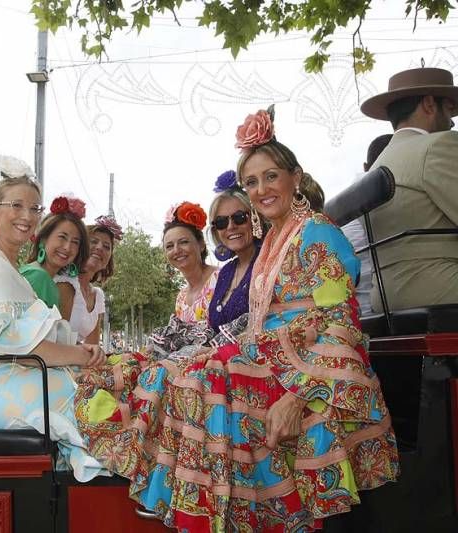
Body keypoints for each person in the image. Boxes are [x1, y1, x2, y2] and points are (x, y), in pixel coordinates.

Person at [77, 108, 399, 531]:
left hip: (311, 369)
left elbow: (340, 322)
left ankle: (199, 504)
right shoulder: (274, 240)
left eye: (271, 176)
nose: (262, 189)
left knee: (200, 380)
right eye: (252, 182)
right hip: (270, 357)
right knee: (161, 373)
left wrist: (298, 396)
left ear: (295, 178)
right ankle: (186, 495)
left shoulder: (317, 232)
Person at [0, 162, 107, 482]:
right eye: (16, 206)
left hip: (13, 374)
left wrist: (84, 357)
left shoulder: (13, 271)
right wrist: (82, 355)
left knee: (99, 386)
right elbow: (21, 346)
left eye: (34, 208)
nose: (27, 215)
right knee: (87, 395)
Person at [361, 66, 458, 311]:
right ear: (428, 104)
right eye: (448, 109)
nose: (451, 120)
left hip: (384, 298)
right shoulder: (438, 144)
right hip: (442, 285)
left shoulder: (377, 165)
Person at [341, 134, 393, 316]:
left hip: (356, 312)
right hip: (383, 306)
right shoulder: (388, 199)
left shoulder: (345, 205)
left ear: (365, 167)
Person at [207, 170, 261, 332]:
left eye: (239, 217)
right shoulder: (225, 272)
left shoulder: (269, 259)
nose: (231, 226)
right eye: (221, 222)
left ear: (254, 218)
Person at [55, 215, 122, 344]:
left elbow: (93, 346)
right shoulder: (65, 284)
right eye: (93, 241)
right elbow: (58, 341)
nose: (100, 248)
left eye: (107, 246)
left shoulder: (98, 295)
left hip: (80, 361)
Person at [20, 195, 90, 311]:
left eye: (75, 242)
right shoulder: (38, 277)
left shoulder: (44, 277)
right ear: (44, 238)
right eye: (62, 237)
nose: (67, 247)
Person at [163, 201, 219, 323]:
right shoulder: (181, 299)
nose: (176, 250)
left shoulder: (222, 278)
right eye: (169, 246)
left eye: (183, 242)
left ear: (201, 245)